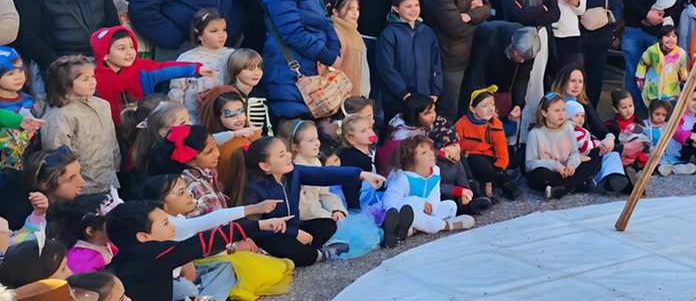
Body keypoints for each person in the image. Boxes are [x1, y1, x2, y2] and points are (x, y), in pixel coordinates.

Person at [233, 136, 380, 267]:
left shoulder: (292, 173)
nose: (289, 156)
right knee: (288, 247)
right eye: (281, 155)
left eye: (286, 151)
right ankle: (319, 254)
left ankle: (301, 250)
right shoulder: (253, 188)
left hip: (294, 228)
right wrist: (293, 233)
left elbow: (323, 174)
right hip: (271, 236)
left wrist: (361, 174)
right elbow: (255, 227)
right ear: (265, 166)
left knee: (327, 224)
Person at [253, 0, 342, 124]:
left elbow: (325, 19)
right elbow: (291, 32)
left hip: (315, 64)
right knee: (295, 131)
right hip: (289, 68)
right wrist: (327, 55)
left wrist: (334, 51)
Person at [104, 199, 278, 301]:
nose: (172, 227)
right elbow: (203, 244)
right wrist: (257, 225)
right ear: (143, 236)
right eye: (165, 223)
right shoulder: (150, 252)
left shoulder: (128, 254)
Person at [498, 0, 560, 131]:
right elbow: (515, 14)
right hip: (519, 38)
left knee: (536, 86)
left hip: (541, 37)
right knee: (519, 85)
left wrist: (534, 15)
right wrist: (540, 10)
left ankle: (530, 132)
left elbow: (555, 12)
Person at [619, 0, 687, 110]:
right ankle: (633, 113)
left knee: (660, 73)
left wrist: (659, 18)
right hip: (634, 30)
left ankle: (656, 114)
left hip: (658, 33)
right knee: (634, 73)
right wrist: (646, 15)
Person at [422, 0, 492, 121]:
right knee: (448, 109)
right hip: (448, 58)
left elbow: (487, 7)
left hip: (464, 55)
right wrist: (475, 14)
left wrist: (468, 15)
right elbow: (456, 29)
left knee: (461, 107)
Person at [91, 25, 207, 125]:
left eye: (131, 47)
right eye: (122, 49)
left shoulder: (141, 68)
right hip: (108, 128)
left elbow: (165, 68)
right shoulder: (93, 78)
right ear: (104, 54)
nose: (129, 52)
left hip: (143, 124)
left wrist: (195, 68)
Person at [40, 55, 119, 194]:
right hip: (82, 187)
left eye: (92, 76)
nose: (92, 82)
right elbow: (56, 151)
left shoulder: (102, 105)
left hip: (108, 181)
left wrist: (116, 165)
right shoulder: (61, 114)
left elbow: (111, 139)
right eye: (85, 79)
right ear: (67, 84)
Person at [383, 135, 475, 235]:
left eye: (430, 149)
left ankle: (414, 227)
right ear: (411, 163)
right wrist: (420, 204)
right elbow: (391, 200)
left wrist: (430, 206)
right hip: (409, 210)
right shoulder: (404, 178)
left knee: (450, 205)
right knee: (412, 211)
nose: (431, 154)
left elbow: (435, 195)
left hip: (426, 211)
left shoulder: (435, 171)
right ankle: (446, 225)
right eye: (424, 153)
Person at [375, 0, 442, 120]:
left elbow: (436, 64)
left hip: (424, 95)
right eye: (408, 6)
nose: (414, 10)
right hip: (398, 97)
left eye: (416, 5)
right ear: (396, 9)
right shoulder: (389, 34)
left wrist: (435, 90)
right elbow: (386, 68)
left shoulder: (426, 32)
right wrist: (403, 92)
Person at [524, 93, 601, 200]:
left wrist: (572, 165)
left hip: (567, 171)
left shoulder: (568, 126)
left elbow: (574, 152)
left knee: (595, 156)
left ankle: (562, 189)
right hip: (549, 171)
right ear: (544, 113)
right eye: (556, 111)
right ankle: (575, 185)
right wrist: (554, 165)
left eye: (563, 110)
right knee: (540, 174)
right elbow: (529, 164)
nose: (561, 114)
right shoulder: (535, 133)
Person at [462, 22, 539, 129]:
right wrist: (485, 105)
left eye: (525, 58)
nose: (522, 61)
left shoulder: (528, 48)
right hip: (482, 79)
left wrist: (518, 104)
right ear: (512, 45)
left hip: (503, 88)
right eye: (520, 56)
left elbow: (522, 77)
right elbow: (476, 75)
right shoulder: (488, 35)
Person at [577, 0, 623, 107]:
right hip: (579, 37)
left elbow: (616, 3)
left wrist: (612, 23)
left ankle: (592, 115)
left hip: (601, 37)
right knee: (577, 79)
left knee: (596, 79)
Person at [455, 88, 521, 200]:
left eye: (492, 104)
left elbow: (501, 150)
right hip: (469, 158)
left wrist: (501, 167)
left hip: (489, 158)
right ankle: (498, 183)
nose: (491, 109)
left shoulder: (495, 124)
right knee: (478, 162)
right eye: (484, 106)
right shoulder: (461, 124)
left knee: (492, 167)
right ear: (472, 109)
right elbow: (457, 146)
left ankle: (493, 181)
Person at [169, 8, 233, 116]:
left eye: (224, 29)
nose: (222, 35)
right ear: (199, 34)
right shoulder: (186, 58)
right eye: (214, 31)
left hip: (227, 116)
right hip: (193, 116)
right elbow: (177, 91)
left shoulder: (232, 56)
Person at [329, 0, 370, 98]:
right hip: (342, 93)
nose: (354, 13)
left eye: (357, 9)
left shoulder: (354, 32)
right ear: (335, 12)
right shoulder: (334, 32)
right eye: (349, 9)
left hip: (357, 91)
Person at [636, 27, 688, 106]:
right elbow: (642, 65)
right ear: (660, 39)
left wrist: (682, 83)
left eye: (673, 36)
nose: (671, 39)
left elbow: (684, 72)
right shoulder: (652, 51)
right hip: (653, 90)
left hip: (672, 91)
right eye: (667, 36)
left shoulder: (681, 54)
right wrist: (640, 81)